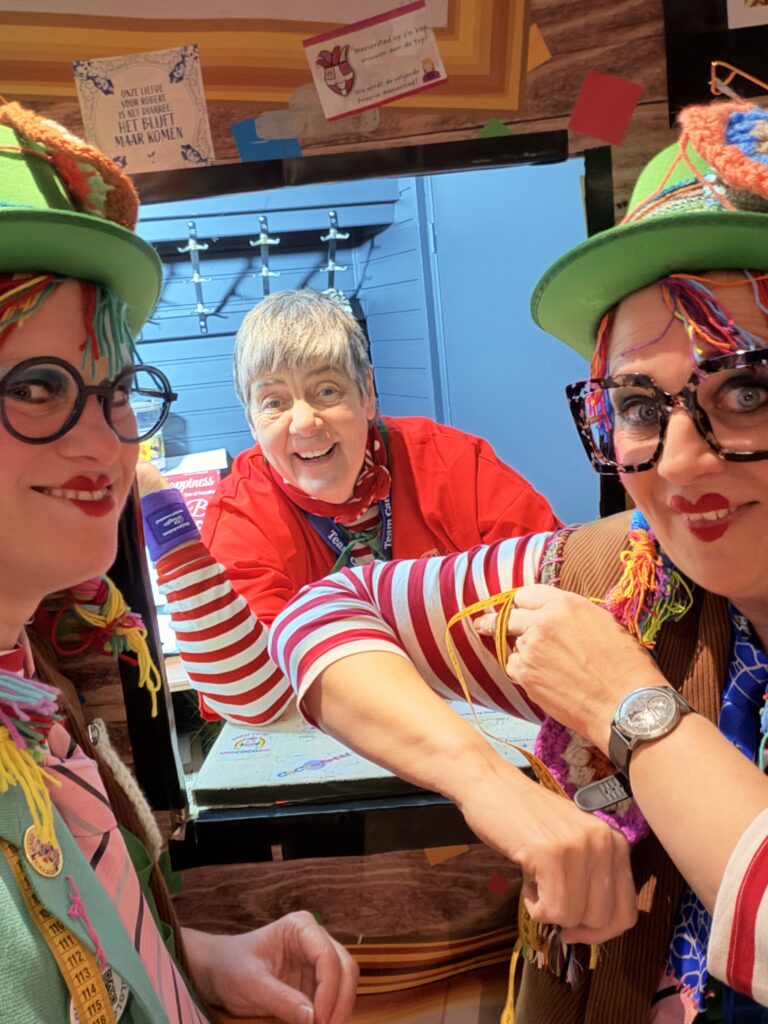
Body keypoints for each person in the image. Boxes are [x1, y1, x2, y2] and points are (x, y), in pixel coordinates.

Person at [265, 97, 768, 1022]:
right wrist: (490, 785)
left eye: (745, 389)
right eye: (640, 407)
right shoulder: (619, 580)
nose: (680, 460)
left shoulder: (456, 467)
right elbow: (319, 613)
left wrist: (631, 710)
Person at [0, 100, 356, 1023]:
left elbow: (69, 932)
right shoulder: (234, 507)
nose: (105, 441)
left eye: (117, 389)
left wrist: (195, 961)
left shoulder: (31, 683)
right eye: (36, 387)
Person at [139, 286, 559, 725]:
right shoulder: (241, 511)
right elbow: (255, 696)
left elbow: (555, 591)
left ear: (367, 393)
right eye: (274, 402)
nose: (304, 423)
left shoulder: (453, 463)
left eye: (326, 391)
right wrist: (165, 519)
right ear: (251, 420)